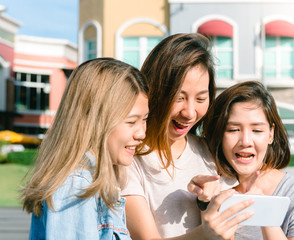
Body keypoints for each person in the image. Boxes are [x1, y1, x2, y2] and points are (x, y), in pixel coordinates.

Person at [121, 33, 254, 240]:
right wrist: (204, 234)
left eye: (201, 98)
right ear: (155, 91)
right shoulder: (129, 156)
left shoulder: (210, 152)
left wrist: (206, 204)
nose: (190, 113)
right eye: (179, 98)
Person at [21, 58, 149, 239]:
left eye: (145, 120)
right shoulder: (76, 185)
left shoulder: (94, 181)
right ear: (94, 120)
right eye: (131, 122)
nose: (142, 133)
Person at [191, 80, 294, 240]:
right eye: (233, 130)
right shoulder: (212, 190)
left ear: (271, 134)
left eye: (257, 130)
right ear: (220, 135)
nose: (245, 141)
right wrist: (206, 204)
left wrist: (263, 208)